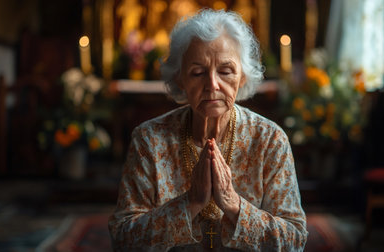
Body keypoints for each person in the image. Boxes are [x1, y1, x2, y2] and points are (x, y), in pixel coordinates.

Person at [109, 9, 308, 251]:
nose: (212, 84)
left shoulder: (270, 140)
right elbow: (123, 238)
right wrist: (190, 203)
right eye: (198, 72)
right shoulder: (149, 140)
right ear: (180, 78)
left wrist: (234, 205)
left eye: (225, 71)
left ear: (242, 77)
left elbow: (295, 240)